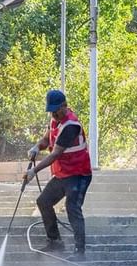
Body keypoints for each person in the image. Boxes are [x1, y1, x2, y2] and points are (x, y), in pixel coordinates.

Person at [24, 89, 92, 255]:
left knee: (72, 208)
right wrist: (36, 147)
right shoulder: (55, 120)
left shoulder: (71, 126)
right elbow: (47, 139)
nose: (54, 114)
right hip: (63, 174)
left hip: (78, 175)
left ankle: (79, 251)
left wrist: (34, 170)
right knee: (43, 201)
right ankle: (55, 242)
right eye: (51, 111)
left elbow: (55, 153)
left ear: (65, 106)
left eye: (56, 110)